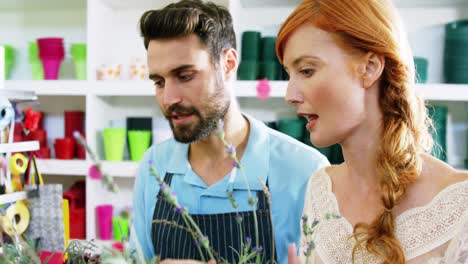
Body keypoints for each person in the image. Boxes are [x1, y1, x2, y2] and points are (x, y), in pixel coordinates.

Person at [130, 0, 329, 263]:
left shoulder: (306, 170)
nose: (168, 98)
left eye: (186, 76)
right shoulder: (153, 167)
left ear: (228, 63)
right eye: (159, 82)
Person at [275, 0, 468, 263]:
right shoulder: (321, 190)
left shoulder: (461, 204)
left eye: (307, 71)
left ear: (370, 68)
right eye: (289, 74)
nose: (290, 95)